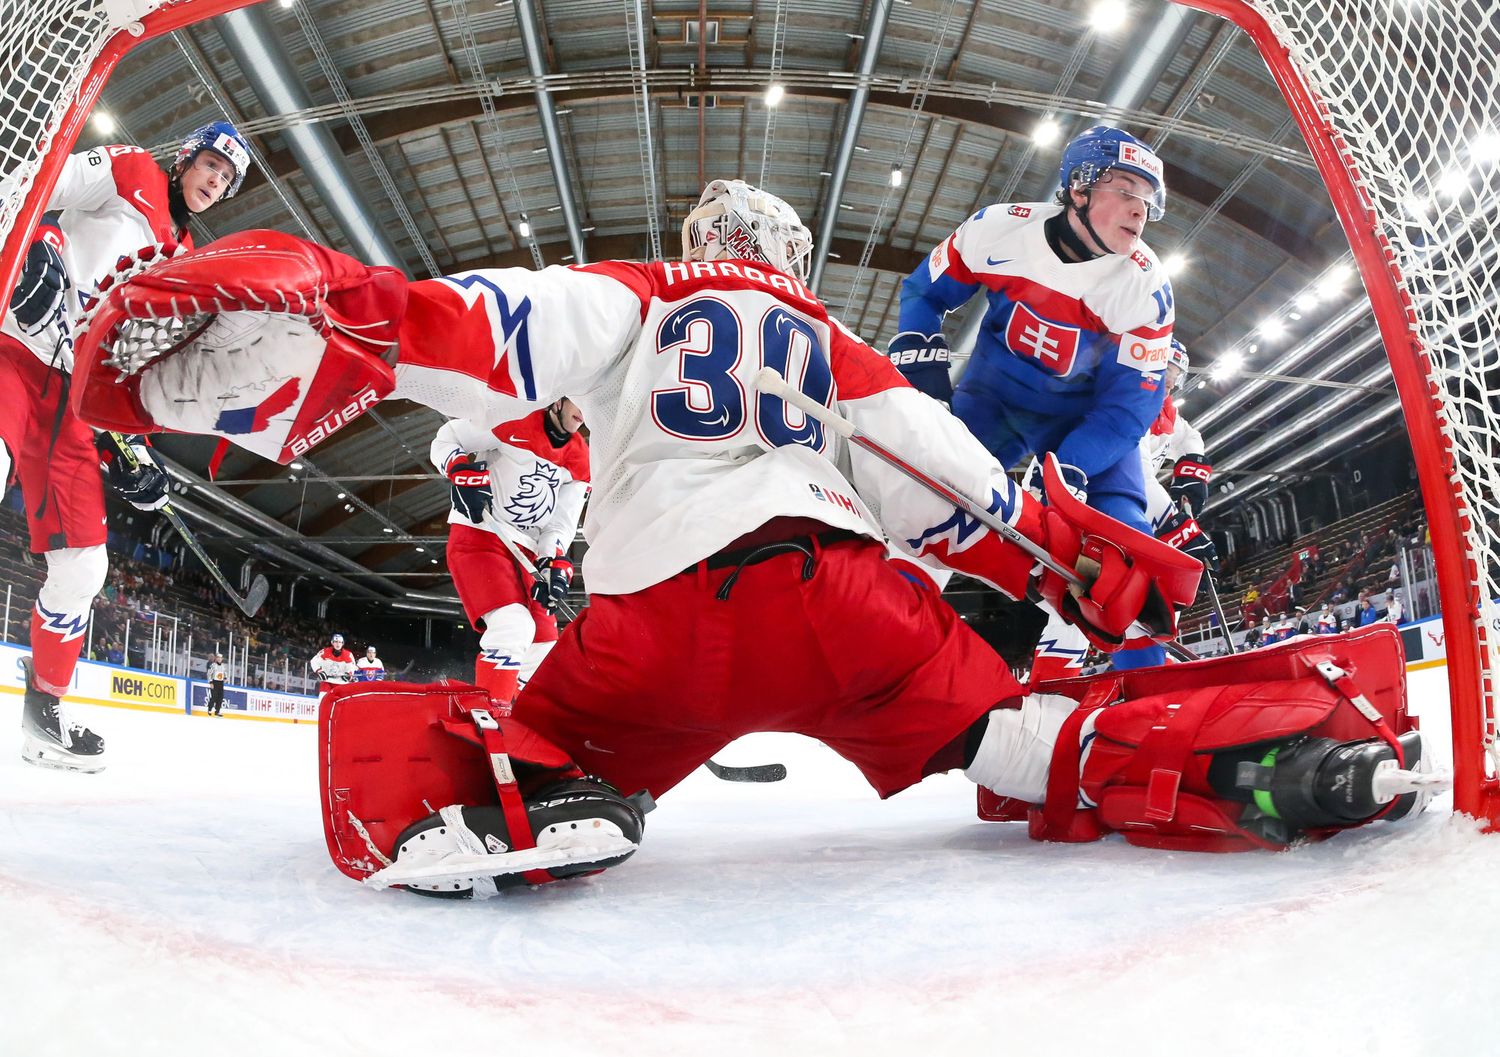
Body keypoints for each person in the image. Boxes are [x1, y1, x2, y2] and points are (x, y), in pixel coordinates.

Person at [68, 181, 1441, 896]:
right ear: (783, 256)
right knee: (1032, 740)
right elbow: (955, 485)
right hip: (847, 601)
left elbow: (484, 330)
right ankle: (1288, 763)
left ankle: (555, 793)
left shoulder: (641, 290)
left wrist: (349, 306)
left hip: (657, 619)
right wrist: (1072, 567)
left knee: (549, 725)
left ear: (699, 236)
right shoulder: (832, 343)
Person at [2, 121, 251, 771]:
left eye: (225, 180)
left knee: (85, 567)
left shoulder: (183, 262)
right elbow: (35, 189)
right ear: (184, 158)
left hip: (74, 403)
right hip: (13, 350)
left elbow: (124, 358)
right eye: (210, 166)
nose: (214, 182)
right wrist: (37, 251)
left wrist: (133, 448)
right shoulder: (132, 169)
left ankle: (43, 715)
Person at [888, 125, 1175, 673]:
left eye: (1146, 197)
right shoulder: (997, 230)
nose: (1139, 210)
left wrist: (1071, 467)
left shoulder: (1146, 288)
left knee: (1128, 553)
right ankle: (881, 642)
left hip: (1086, 421)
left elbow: (1128, 409)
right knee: (926, 503)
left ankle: (1149, 694)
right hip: (993, 402)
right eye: (1124, 189)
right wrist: (927, 390)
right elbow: (923, 292)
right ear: (1078, 188)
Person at [431, 398, 589, 703]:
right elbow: (449, 438)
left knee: (545, 649)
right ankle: (491, 718)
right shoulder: (512, 418)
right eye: (578, 399)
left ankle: (516, 715)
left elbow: (561, 523)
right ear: (558, 399)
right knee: (513, 626)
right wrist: (458, 468)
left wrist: (552, 560)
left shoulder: (582, 459)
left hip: (527, 553)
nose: (584, 409)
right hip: (481, 535)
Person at [206, 652, 227, 717]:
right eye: (218, 658)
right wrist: (211, 682)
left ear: (222, 659)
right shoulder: (213, 665)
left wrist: (225, 678)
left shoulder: (223, 666)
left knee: (220, 697)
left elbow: (225, 673)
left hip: (221, 683)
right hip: (215, 682)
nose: (219, 659)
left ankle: (217, 711)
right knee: (214, 697)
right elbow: (209, 674)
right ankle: (209, 709)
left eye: (220, 658)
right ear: (216, 658)